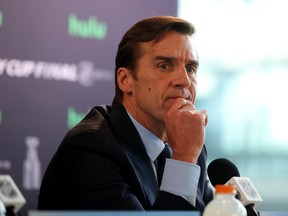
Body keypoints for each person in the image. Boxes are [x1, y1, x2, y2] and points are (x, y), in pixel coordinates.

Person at [38, 15, 213, 211]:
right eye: (164, 66)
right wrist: (183, 158)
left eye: (191, 68)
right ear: (125, 80)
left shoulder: (188, 144)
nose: (185, 81)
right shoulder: (91, 147)